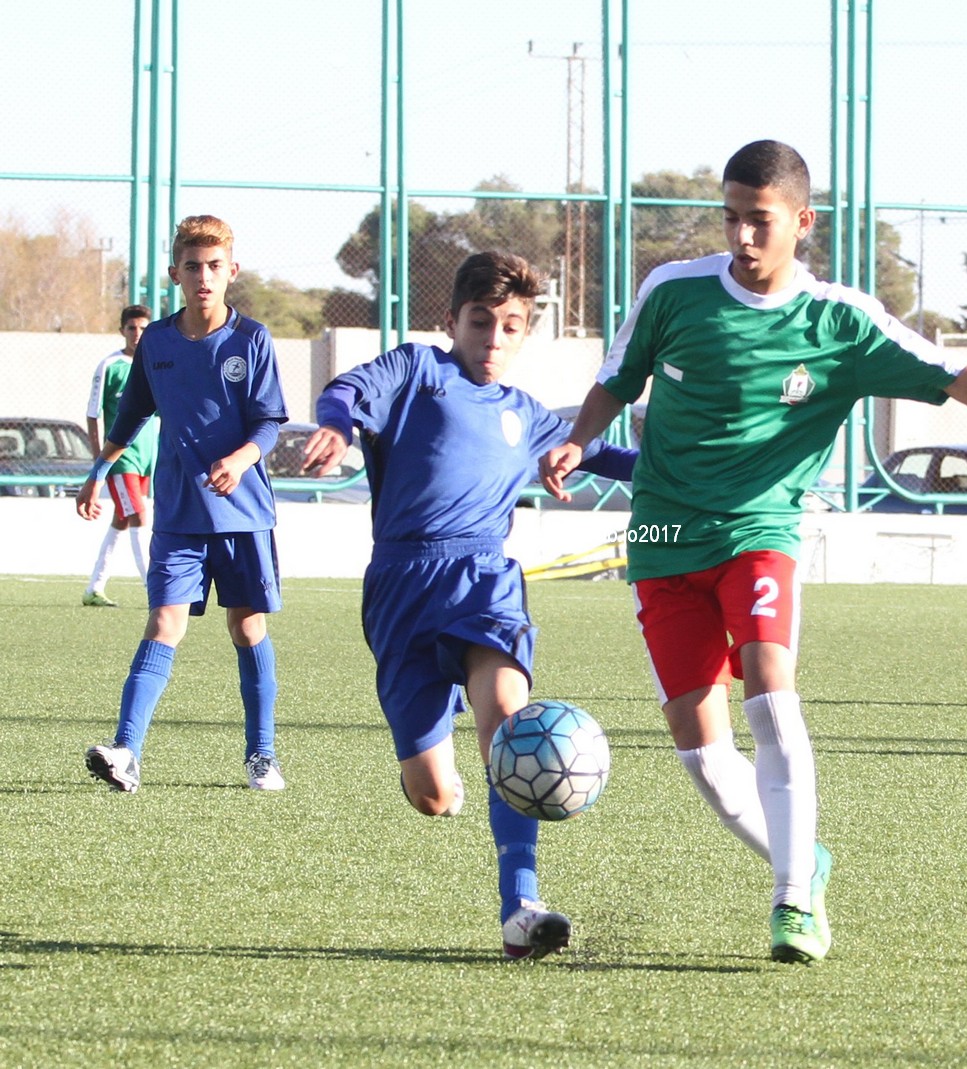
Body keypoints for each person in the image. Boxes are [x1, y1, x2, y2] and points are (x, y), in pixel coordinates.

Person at [541, 140, 967, 965]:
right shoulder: (673, 291)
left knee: (769, 689)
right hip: (661, 536)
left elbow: (947, 370)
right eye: (730, 217)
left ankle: (793, 899)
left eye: (759, 220)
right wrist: (580, 440)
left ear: (803, 221)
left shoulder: (841, 320)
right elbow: (618, 380)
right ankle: (804, 859)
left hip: (762, 530)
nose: (741, 237)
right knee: (703, 754)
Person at [299, 251, 636, 960]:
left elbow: (605, 455)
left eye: (510, 325)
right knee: (432, 795)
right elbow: (346, 390)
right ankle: (435, 771)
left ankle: (521, 906)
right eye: (480, 322)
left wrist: (697, 472)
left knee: (508, 726)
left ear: (524, 332)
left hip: (484, 578)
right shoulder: (417, 371)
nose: (493, 338)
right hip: (402, 586)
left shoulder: (527, 414)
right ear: (451, 320)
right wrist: (336, 424)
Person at [76, 215, 289, 793]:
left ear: (232, 271)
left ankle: (262, 756)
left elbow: (269, 422)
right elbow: (130, 416)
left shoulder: (251, 339)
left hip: (243, 514)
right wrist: (98, 472)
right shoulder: (157, 343)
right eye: (192, 266)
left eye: (214, 266)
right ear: (175, 274)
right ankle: (126, 751)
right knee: (163, 622)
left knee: (247, 628)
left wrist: (239, 460)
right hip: (178, 515)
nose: (203, 277)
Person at [81, 304, 156, 607]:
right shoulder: (110, 366)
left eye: (143, 328)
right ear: (122, 330)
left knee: (123, 519)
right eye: (132, 328)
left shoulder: (155, 364)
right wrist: (99, 460)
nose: (137, 334)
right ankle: (154, 590)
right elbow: (93, 413)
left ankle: (94, 587)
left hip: (148, 457)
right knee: (139, 514)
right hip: (121, 459)